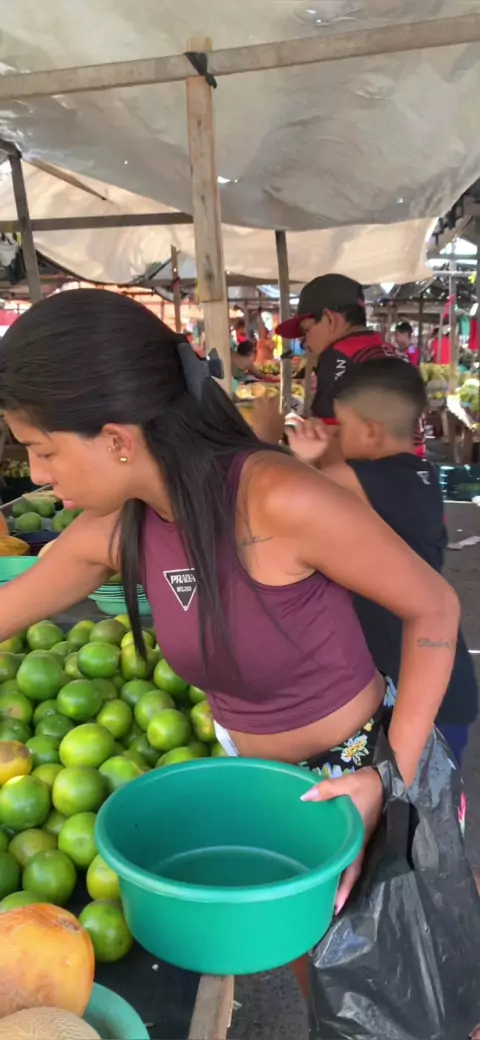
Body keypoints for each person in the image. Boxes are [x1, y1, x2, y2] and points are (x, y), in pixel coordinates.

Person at [0, 291, 462, 999]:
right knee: (328, 983)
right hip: (261, 792)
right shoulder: (120, 528)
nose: (36, 475)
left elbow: (434, 606)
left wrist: (387, 779)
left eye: (43, 450)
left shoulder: (276, 499)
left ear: (117, 438)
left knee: (425, 987)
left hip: (366, 766)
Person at [287, 358, 478, 765]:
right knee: (433, 799)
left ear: (371, 431)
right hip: (446, 681)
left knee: (397, 797)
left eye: (343, 426)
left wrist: (301, 458)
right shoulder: (423, 476)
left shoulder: (352, 479)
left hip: (409, 687)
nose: (336, 436)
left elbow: (290, 503)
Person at [276, 273, 425, 458]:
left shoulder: (338, 355)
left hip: (371, 472)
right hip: (414, 466)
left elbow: (327, 444)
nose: (304, 343)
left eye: (306, 330)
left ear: (330, 319)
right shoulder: (388, 351)